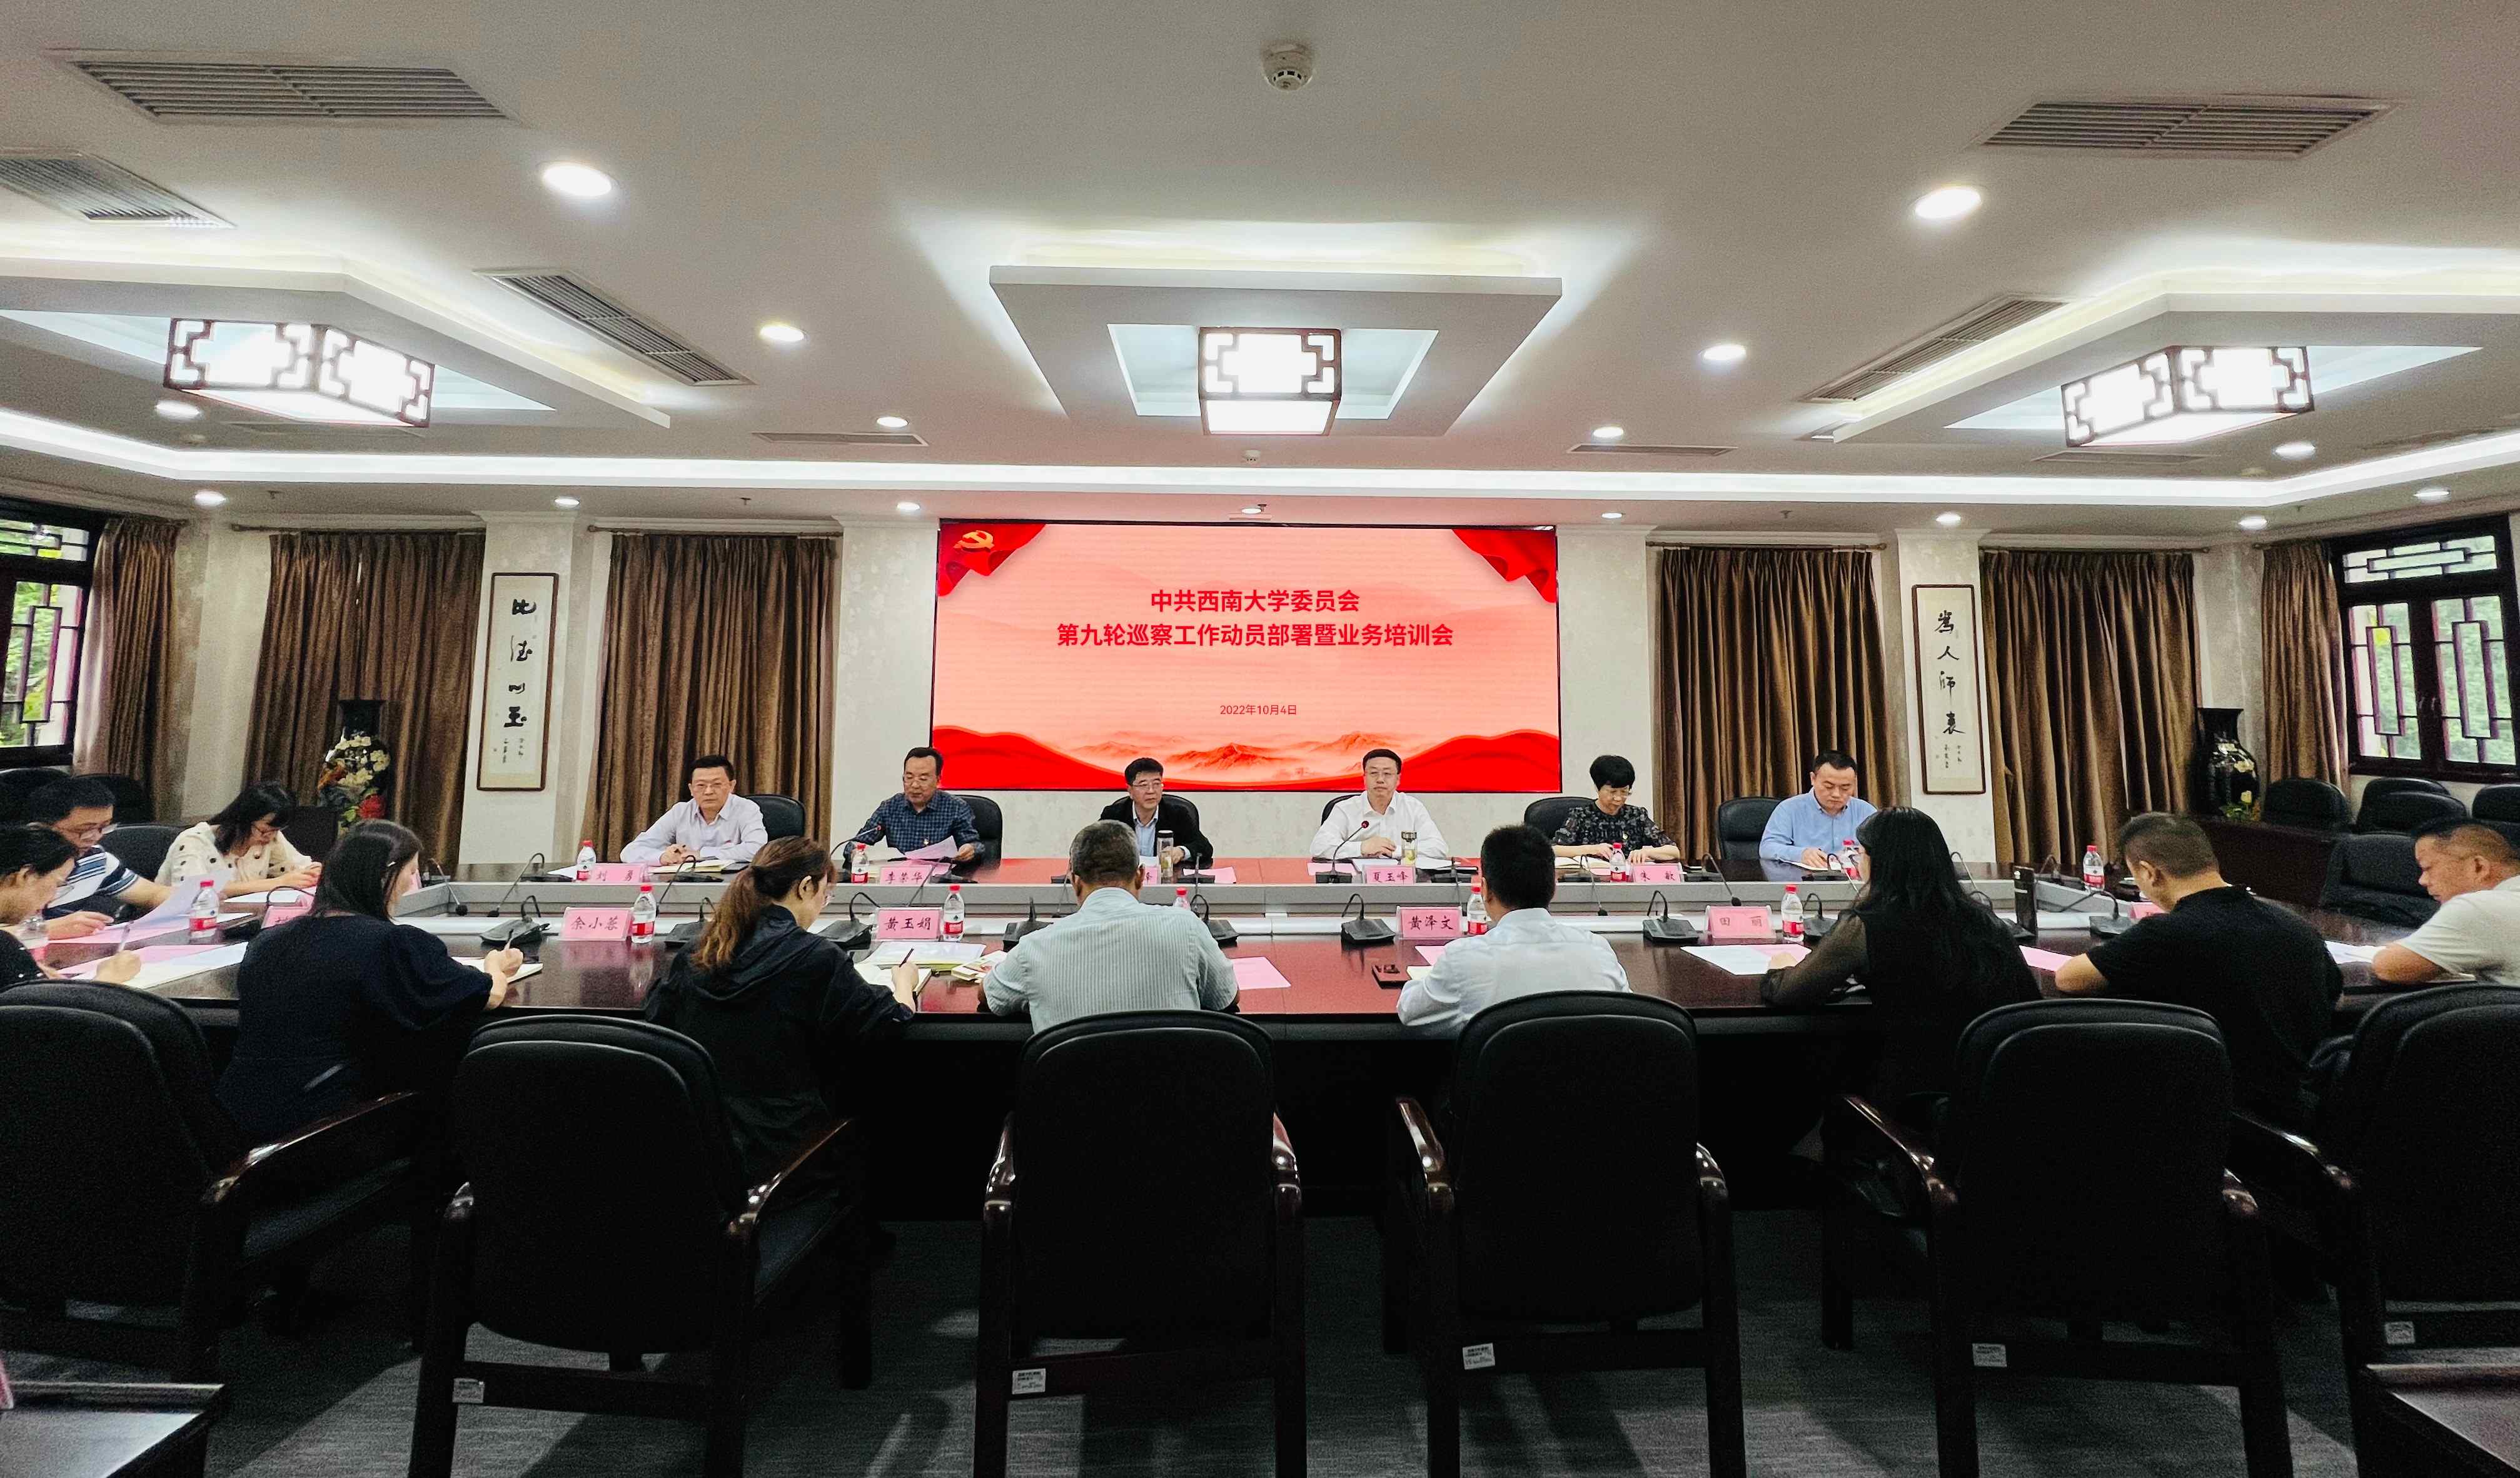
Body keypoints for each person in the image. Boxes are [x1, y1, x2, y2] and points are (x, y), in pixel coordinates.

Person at [216, 822, 525, 1144]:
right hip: (331, 1126)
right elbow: (489, 996)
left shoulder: (268, 941)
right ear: (385, 875)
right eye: (410, 873)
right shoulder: (392, 944)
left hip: (241, 1123)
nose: (411, 887)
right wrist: (496, 966)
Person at [642, 836, 917, 1183]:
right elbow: (891, 1021)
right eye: (825, 895)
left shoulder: (701, 951)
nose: (822, 906)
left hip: (700, 1151)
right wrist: (905, 984)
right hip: (785, 1154)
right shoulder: (816, 957)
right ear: (805, 887)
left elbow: (657, 1016)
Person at [2055, 812, 2341, 1125]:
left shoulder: (2166, 934)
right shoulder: (2296, 926)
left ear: (2150, 873)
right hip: (2305, 1107)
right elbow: (2333, 993)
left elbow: (2069, 978)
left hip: (2220, 1114)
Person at [1760, 807, 2039, 1120]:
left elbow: (1789, 992)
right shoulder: (1988, 921)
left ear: (1879, 863)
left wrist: (1779, 967)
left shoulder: (1866, 925)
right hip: (2003, 1103)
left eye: (1861, 854)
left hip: (1918, 1107)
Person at [984, 820, 1236, 1032]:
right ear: (1140, 876)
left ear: (1075, 882)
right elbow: (1227, 997)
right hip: (1169, 1078)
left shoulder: (1034, 948)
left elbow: (989, 995)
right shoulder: (1186, 928)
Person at [1398, 825, 1628, 1032]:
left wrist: (1428, 978)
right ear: (1554, 887)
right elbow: (1629, 1017)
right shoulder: (1599, 952)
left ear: (1485, 890)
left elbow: (1410, 1011)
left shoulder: (1463, 960)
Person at [2371, 819, 2520, 986]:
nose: (2422, 881)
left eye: (2427, 868)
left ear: (2478, 867)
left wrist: (2398, 950)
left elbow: (2391, 967)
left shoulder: (2479, 907)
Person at [0, 825, 138, 990]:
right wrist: (109, 979)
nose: (53, 898)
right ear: (26, 876)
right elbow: (40, 1007)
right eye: (58, 884)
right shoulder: (5, 946)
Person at [28, 777, 169, 937]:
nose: (95, 837)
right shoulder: (12, 867)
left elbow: (153, 895)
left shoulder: (94, 859)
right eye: (83, 830)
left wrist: (192, 900)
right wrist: (44, 929)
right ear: (40, 828)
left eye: (104, 827)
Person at [158, 782, 323, 897]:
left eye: (277, 830)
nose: (271, 837)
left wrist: (312, 872)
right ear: (243, 819)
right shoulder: (194, 842)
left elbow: (300, 866)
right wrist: (277, 883)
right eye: (264, 831)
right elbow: (190, 894)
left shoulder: (270, 837)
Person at [1310, 749, 1451, 864]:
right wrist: (1361, 848)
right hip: (1355, 884)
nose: (1380, 780)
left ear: (1398, 779)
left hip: (1403, 882)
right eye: (1373, 773)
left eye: (1387, 774)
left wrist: (1395, 851)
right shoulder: (1345, 809)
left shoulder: (1413, 808)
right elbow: (1319, 846)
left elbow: (1438, 848)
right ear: (1364, 778)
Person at [622, 754, 767, 867]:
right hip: (685, 883)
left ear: (731, 786)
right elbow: (630, 852)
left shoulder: (747, 809)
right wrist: (663, 857)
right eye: (701, 785)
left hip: (733, 884)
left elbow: (757, 849)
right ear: (691, 789)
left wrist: (700, 854)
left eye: (716, 784)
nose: (709, 791)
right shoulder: (680, 812)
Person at [850, 747, 980, 863]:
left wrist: (969, 849)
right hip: (901, 878)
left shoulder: (956, 808)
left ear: (938, 780)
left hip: (941, 879)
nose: (915, 785)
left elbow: (975, 845)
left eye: (923, 779)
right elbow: (857, 842)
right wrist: (856, 853)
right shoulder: (889, 807)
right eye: (909, 777)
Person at [1758, 750, 1878, 872]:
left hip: (1855, 880)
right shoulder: (1789, 809)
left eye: (1845, 788)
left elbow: (1884, 849)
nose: (1836, 794)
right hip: (1805, 879)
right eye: (1829, 786)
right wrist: (1801, 854)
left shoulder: (1866, 811)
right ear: (1813, 779)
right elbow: (1767, 848)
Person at [1551, 755, 1681, 862]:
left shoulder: (1637, 815)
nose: (1618, 798)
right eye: (1612, 792)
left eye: (1624, 792)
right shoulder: (1581, 816)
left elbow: (1674, 851)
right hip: (1593, 880)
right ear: (1597, 788)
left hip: (1628, 880)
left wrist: (1647, 852)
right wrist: (1590, 849)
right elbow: (1554, 850)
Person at [1096, 758, 1214, 870]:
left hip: (1165, 879)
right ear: (1130, 790)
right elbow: (1094, 847)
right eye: (1143, 785)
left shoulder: (1177, 814)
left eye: (1157, 784)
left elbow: (1204, 847)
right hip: (1126, 879)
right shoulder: (1114, 815)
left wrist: (1181, 851)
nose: (1151, 791)